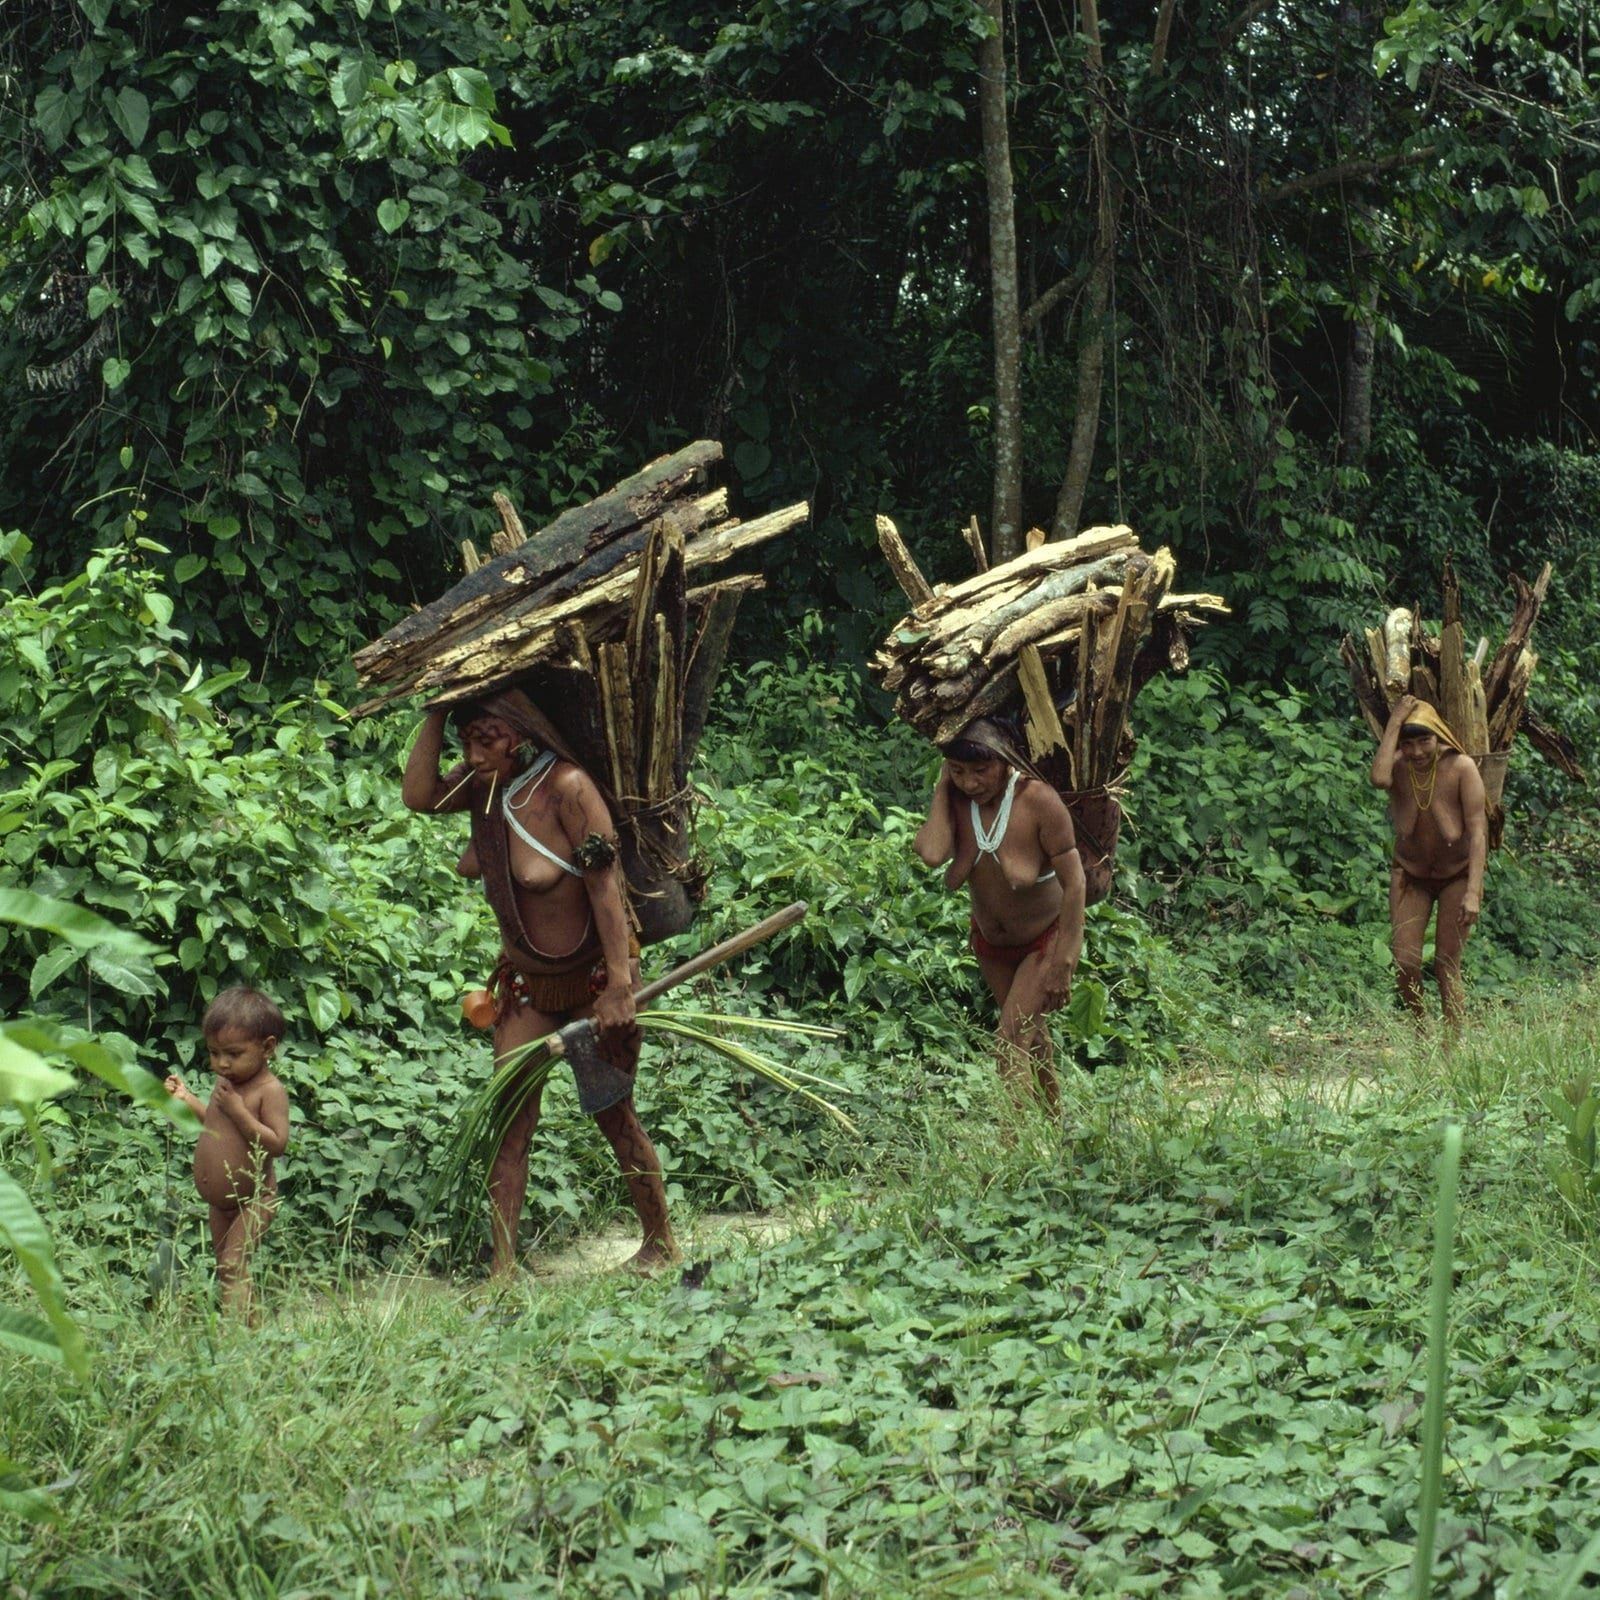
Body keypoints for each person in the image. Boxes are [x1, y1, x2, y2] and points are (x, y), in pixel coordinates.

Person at [402, 690, 676, 1276]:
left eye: (488, 739)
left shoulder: (568, 789)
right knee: (511, 1119)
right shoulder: (484, 785)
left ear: (523, 733)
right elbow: (419, 797)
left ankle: (661, 1242)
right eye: (466, 740)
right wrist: (435, 711)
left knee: (614, 1115)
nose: (474, 754)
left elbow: (606, 890)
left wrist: (620, 987)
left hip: (592, 985)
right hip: (527, 988)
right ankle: (502, 1271)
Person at [913, 718, 1087, 1108]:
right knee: (1033, 1036)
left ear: (1006, 760)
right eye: (958, 771)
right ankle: (1057, 1130)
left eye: (981, 771)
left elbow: (1075, 884)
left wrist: (1065, 961)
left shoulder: (1039, 801)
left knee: (1010, 1041)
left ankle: (1017, 1152)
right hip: (991, 945)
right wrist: (944, 788)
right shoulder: (957, 801)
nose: (970, 783)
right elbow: (931, 853)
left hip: (1045, 940)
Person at [163, 986, 290, 1321]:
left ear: (267, 1048)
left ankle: (234, 1338)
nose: (221, 1063)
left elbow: (277, 1144)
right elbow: (216, 1123)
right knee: (226, 1266)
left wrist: (240, 1113)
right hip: (221, 1200)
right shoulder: (227, 1086)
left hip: (256, 1197)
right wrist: (187, 1099)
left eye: (233, 1054)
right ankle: (252, 1331)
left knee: (234, 1263)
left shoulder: (269, 1091)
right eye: (214, 1052)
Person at [1370, 694, 1487, 1033]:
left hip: (1457, 876)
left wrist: (1473, 892)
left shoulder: (1461, 767)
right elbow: (1378, 779)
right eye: (1409, 743)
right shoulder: (1397, 765)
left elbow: (1478, 832)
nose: (1418, 751)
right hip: (1411, 875)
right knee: (1405, 962)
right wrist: (1395, 722)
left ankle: (1453, 1044)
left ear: (1439, 737)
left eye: (1425, 740)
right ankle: (1423, 1033)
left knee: (1446, 964)